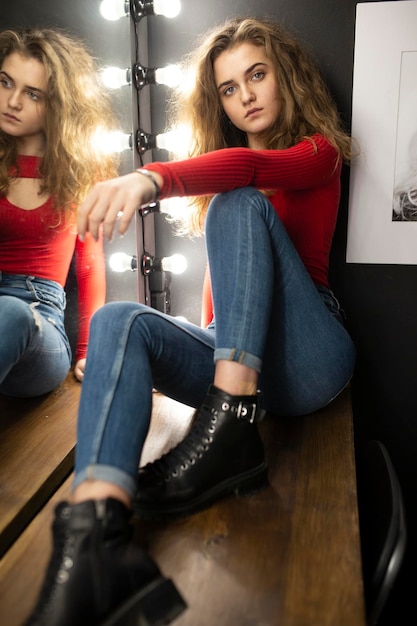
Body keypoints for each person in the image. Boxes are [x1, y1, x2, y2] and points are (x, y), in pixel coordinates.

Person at [26, 17, 356, 625]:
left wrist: (153, 177)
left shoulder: (317, 153)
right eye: (229, 88)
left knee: (237, 201)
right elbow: (223, 305)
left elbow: (252, 173)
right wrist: (167, 353)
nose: (246, 95)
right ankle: (96, 541)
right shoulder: (231, 186)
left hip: (312, 357)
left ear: (285, 76)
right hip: (242, 363)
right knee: (121, 320)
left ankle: (229, 431)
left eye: (257, 75)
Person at [0, 27, 118, 397]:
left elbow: (90, 264)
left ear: (57, 105)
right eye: (5, 83)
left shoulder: (81, 172)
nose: (12, 101)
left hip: (38, 325)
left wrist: (88, 351)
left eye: (32, 94)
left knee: (11, 313)